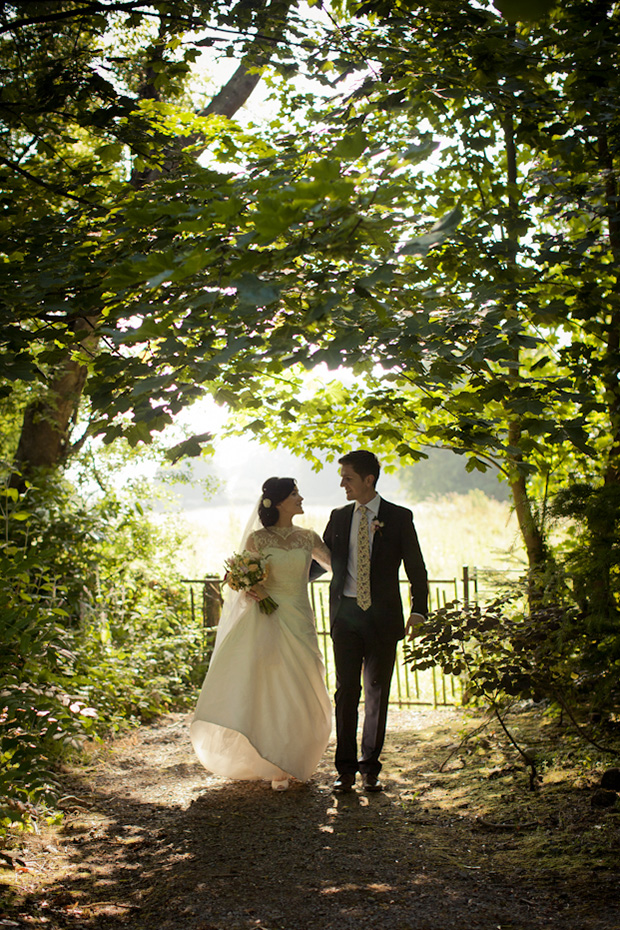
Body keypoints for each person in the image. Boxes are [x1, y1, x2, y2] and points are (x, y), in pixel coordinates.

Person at [190, 477, 332, 791]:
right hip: (267, 618)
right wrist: (252, 589)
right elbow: (238, 578)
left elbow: (339, 566)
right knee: (271, 688)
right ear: (279, 502)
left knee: (304, 685)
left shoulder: (309, 537)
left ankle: (296, 754)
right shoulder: (258, 539)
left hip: (299, 619)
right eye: (295, 494)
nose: (301, 497)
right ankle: (276, 761)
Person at [323, 450, 428, 793]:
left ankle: (370, 768)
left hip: (383, 618)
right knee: (346, 693)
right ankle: (345, 770)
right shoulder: (338, 517)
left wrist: (419, 609)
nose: (342, 484)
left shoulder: (398, 517)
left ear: (369, 479)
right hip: (346, 617)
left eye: (348, 477)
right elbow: (316, 562)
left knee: (377, 693)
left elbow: (416, 567)